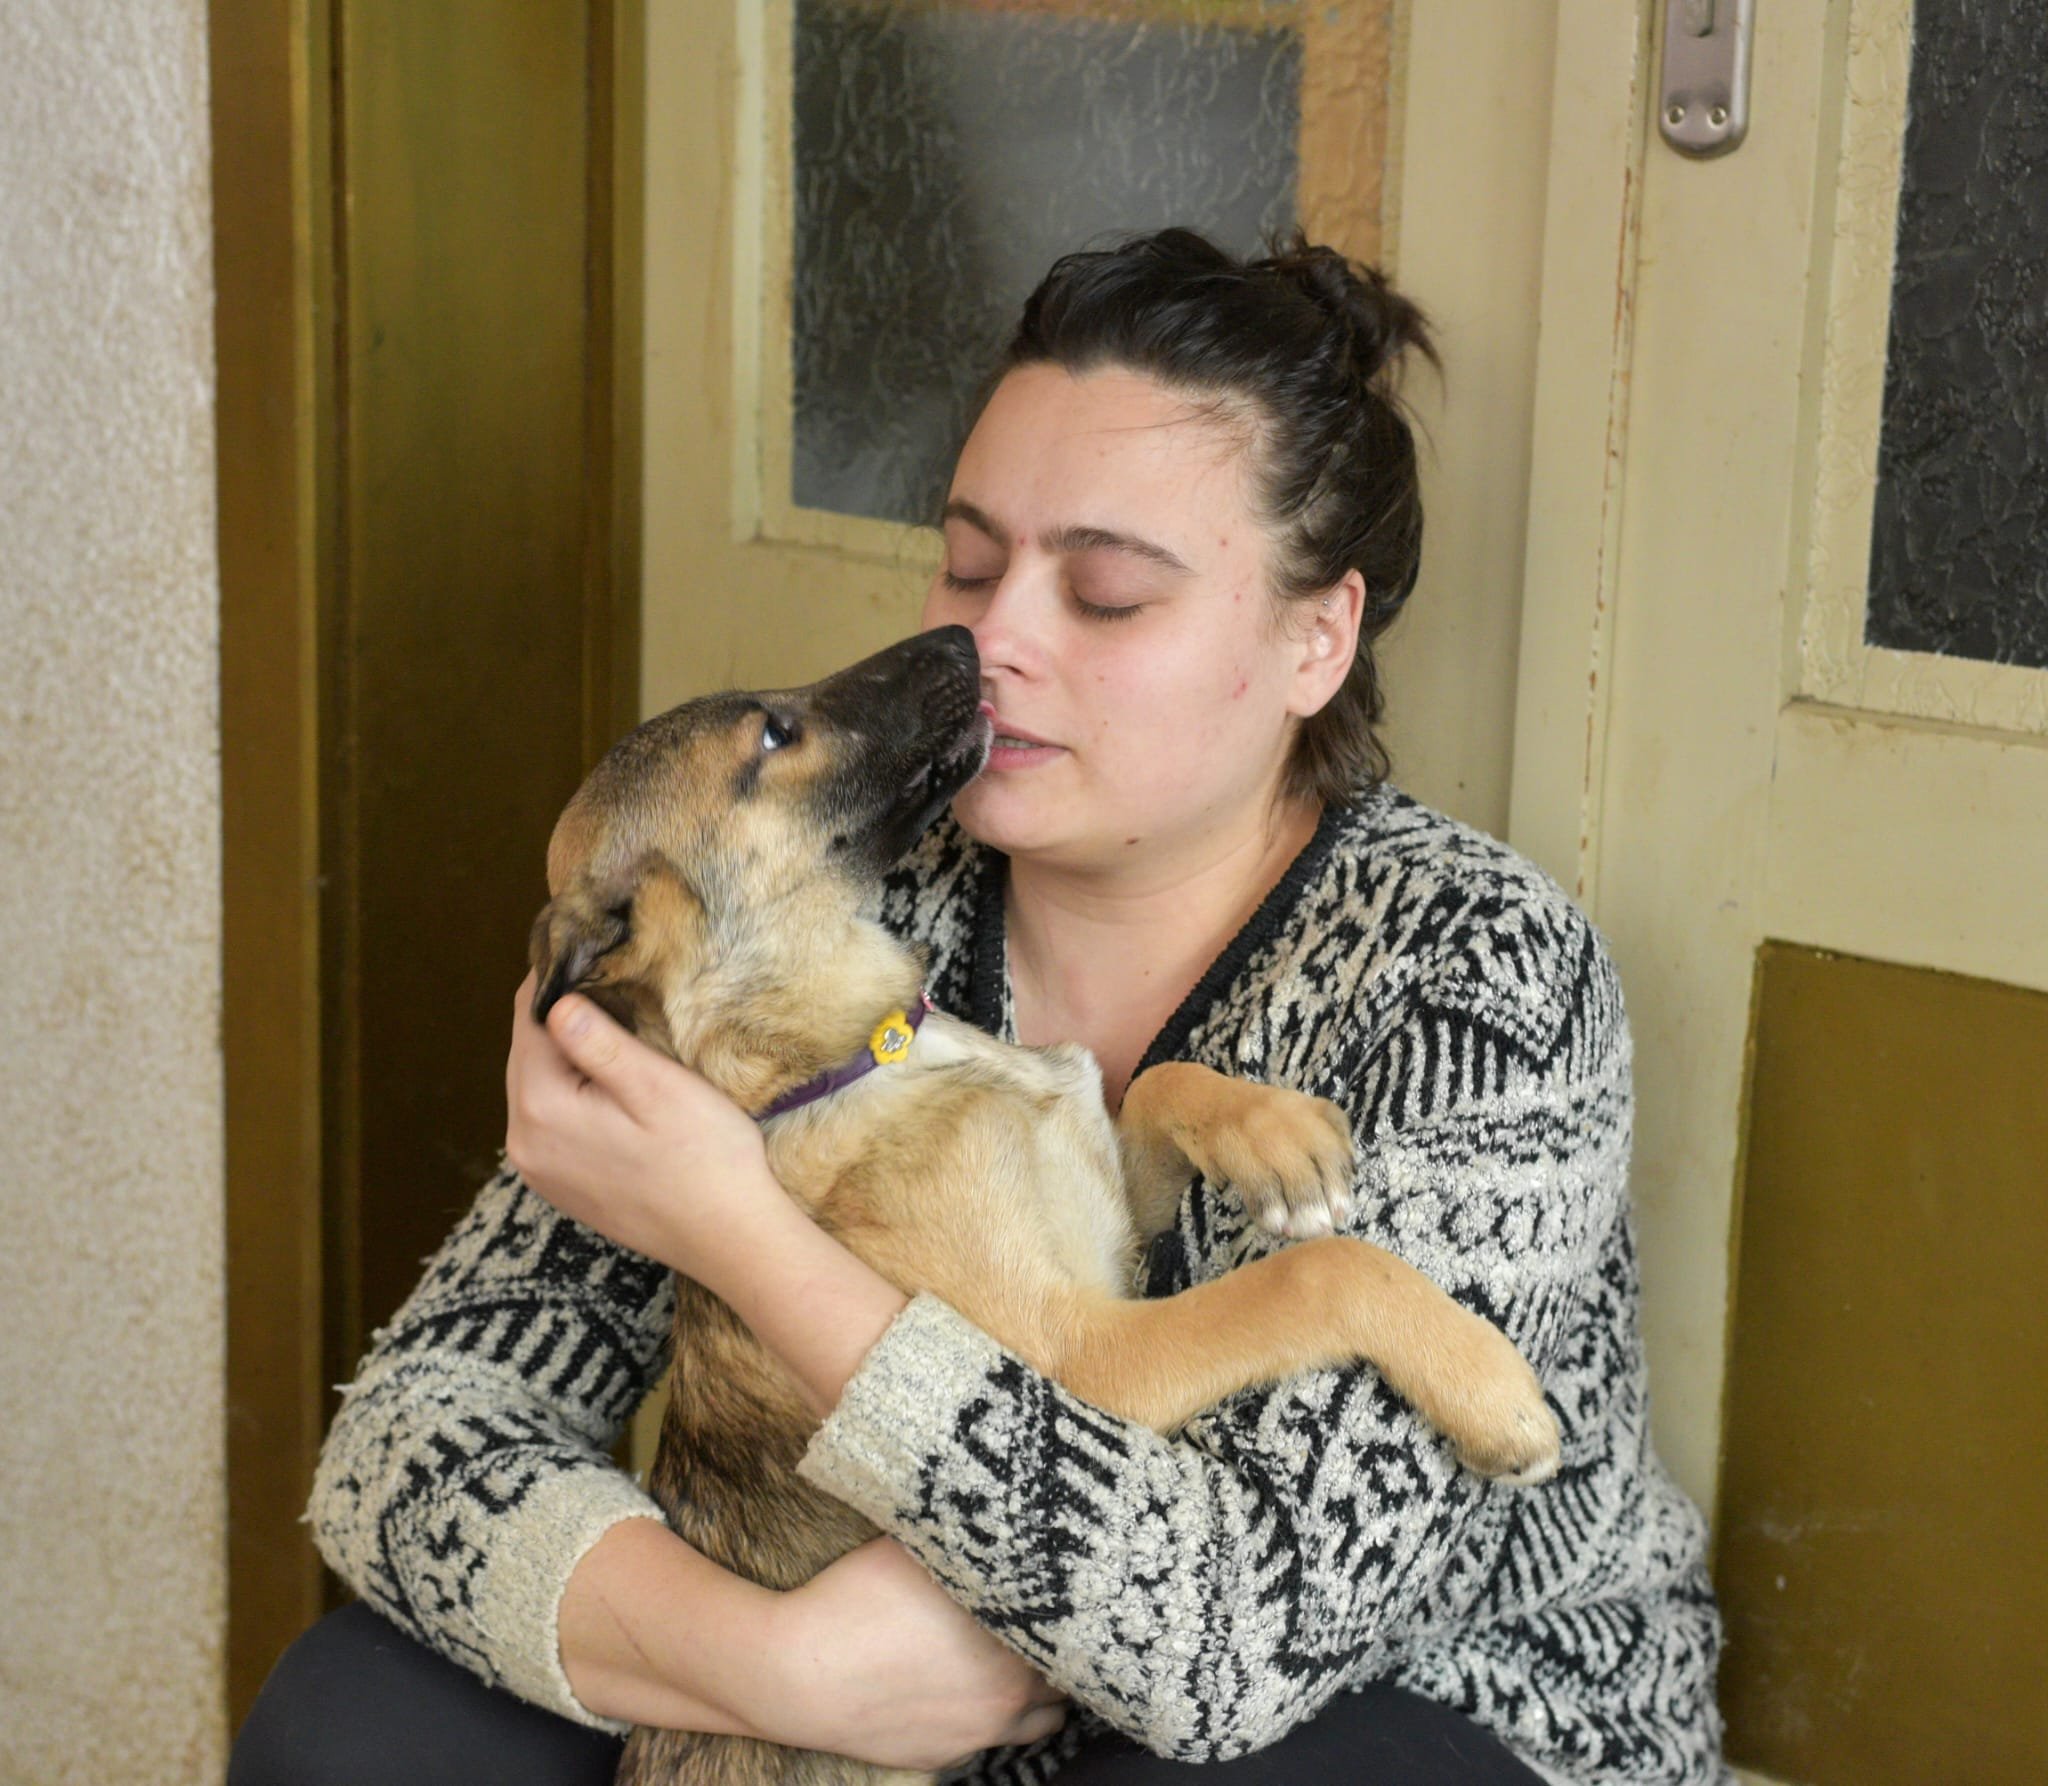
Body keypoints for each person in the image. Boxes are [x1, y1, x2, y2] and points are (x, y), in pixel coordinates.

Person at [230, 229, 1728, 1786]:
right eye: (967, 560)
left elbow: (1225, 1643)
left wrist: (740, 1230)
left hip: (1393, 1720)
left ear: (1314, 639)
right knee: (356, 1723)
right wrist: (776, 1663)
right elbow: (403, 1444)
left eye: (1105, 592)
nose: (992, 639)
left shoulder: (1470, 968)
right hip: (896, 1719)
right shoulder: (816, 893)